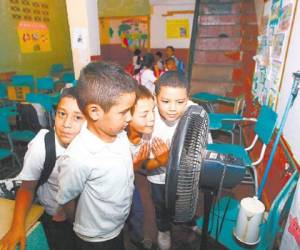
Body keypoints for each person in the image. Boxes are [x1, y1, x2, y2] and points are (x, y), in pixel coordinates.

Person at [56, 61, 137, 250]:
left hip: (117, 226)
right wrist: (80, 225)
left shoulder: (120, 136)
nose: (130, 117)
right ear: (94, 112)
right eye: (124, 112)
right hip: (94, 239)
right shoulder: (79, 157)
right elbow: (66, 199)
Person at [0, 87, 86, 250]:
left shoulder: (93, 146)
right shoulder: (43, 146)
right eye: (62, 114)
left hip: (85, 218)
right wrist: (17, 227)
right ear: (55, 114)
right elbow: (26, 189)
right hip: (56, 217)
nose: (66, 124)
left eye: (77, 117)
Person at [146, 71, 207, 250]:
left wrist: (170, 161)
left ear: (188, 98)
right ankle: (163, 230)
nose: (172, 108)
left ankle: (189, 222)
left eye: (180, 102)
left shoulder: (195, 115)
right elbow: (141, 153)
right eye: (165, 101)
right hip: (157, 178)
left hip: (186, 178)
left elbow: (202, 151)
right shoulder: (148, 116)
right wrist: (159, 161)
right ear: (155, 98)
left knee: (186, 200)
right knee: (161, 206)